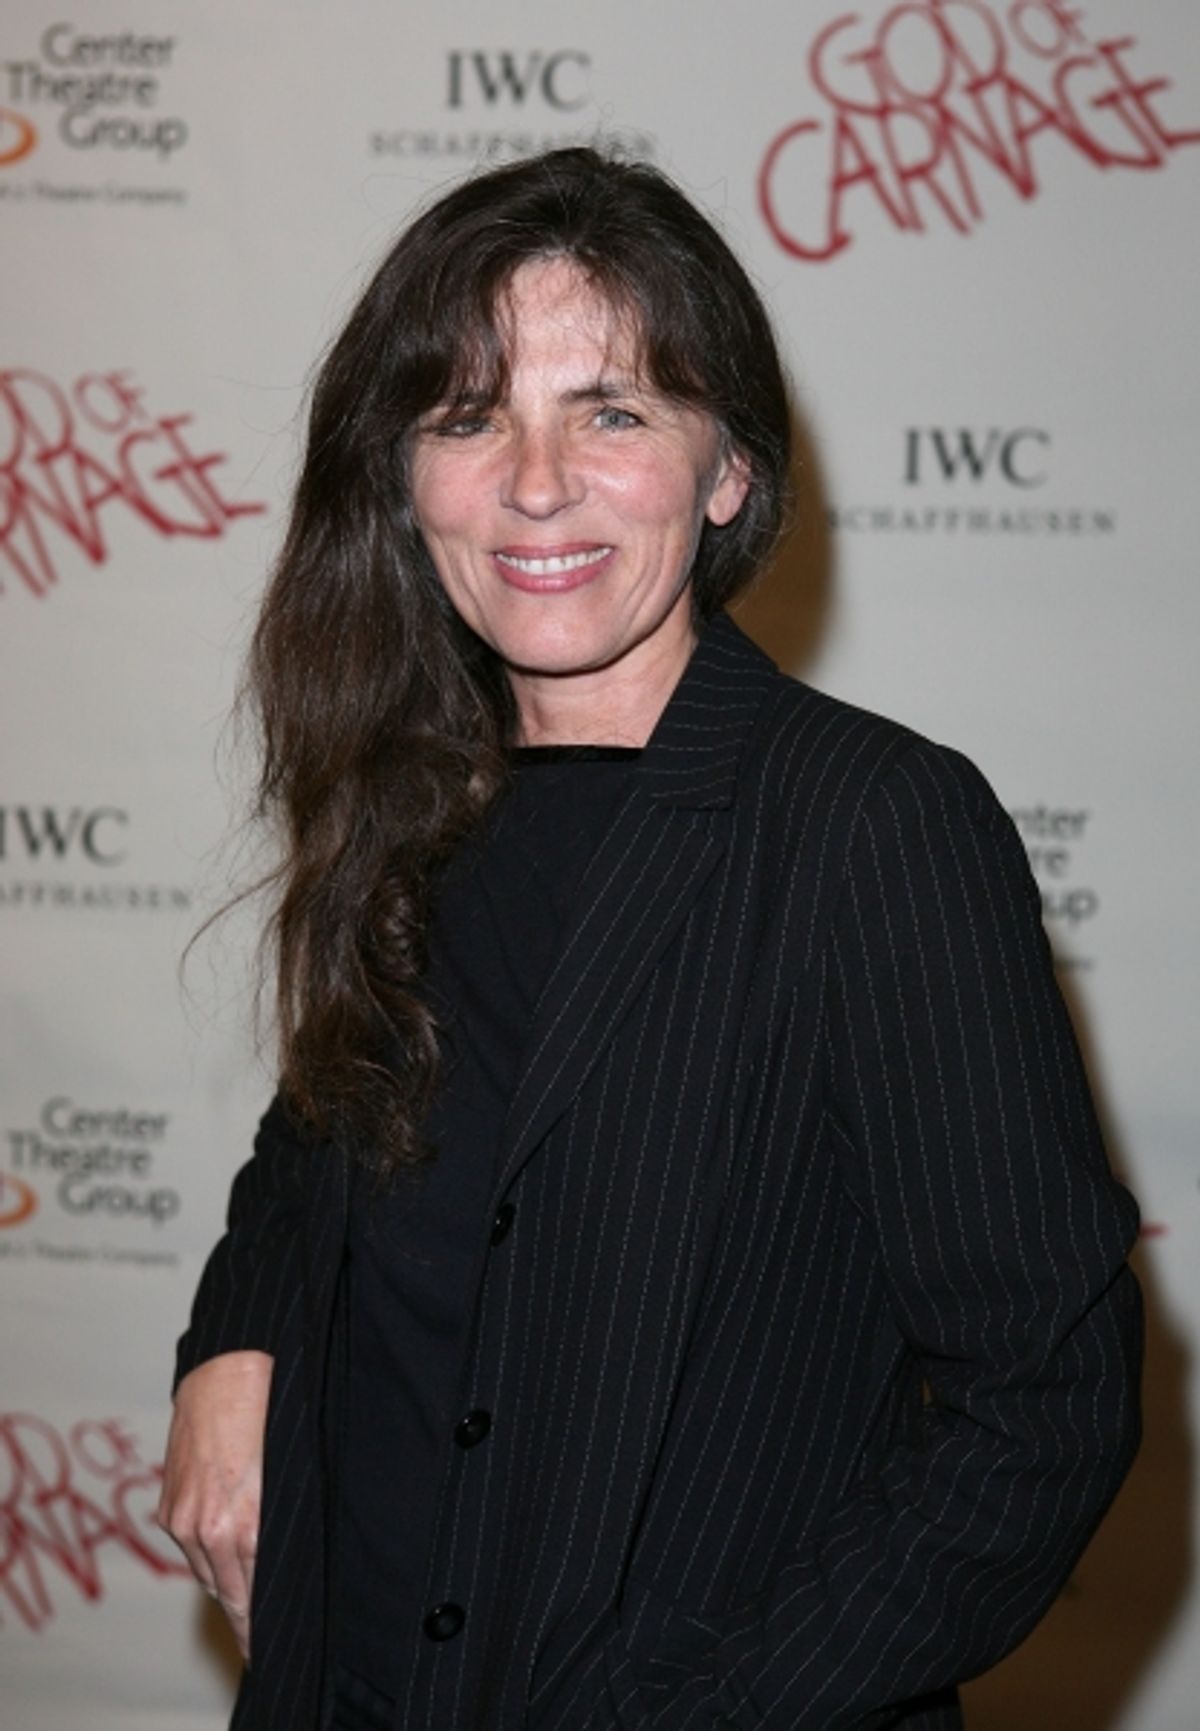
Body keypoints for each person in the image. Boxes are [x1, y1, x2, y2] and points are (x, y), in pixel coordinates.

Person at [158, 147, 1142, 1731]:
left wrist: (729, 1705)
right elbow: (337, 1120)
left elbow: (1048, 1406)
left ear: (727, 469)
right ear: (404, 481)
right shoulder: (410, 793)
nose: (535, 482)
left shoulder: (869, 826)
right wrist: (239, 1336)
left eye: (612, 411)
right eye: (469, 418)